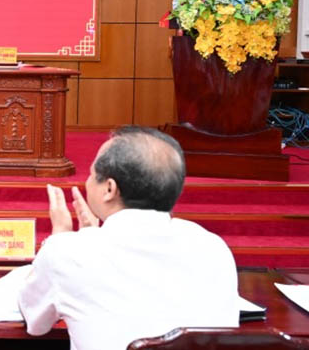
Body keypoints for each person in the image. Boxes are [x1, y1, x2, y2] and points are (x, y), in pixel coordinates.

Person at [17, 126, 239, 350]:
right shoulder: (211, 247)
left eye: (93, 175)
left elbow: (35, 321)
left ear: (110, 189)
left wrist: (60, 238)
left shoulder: (67, 252)